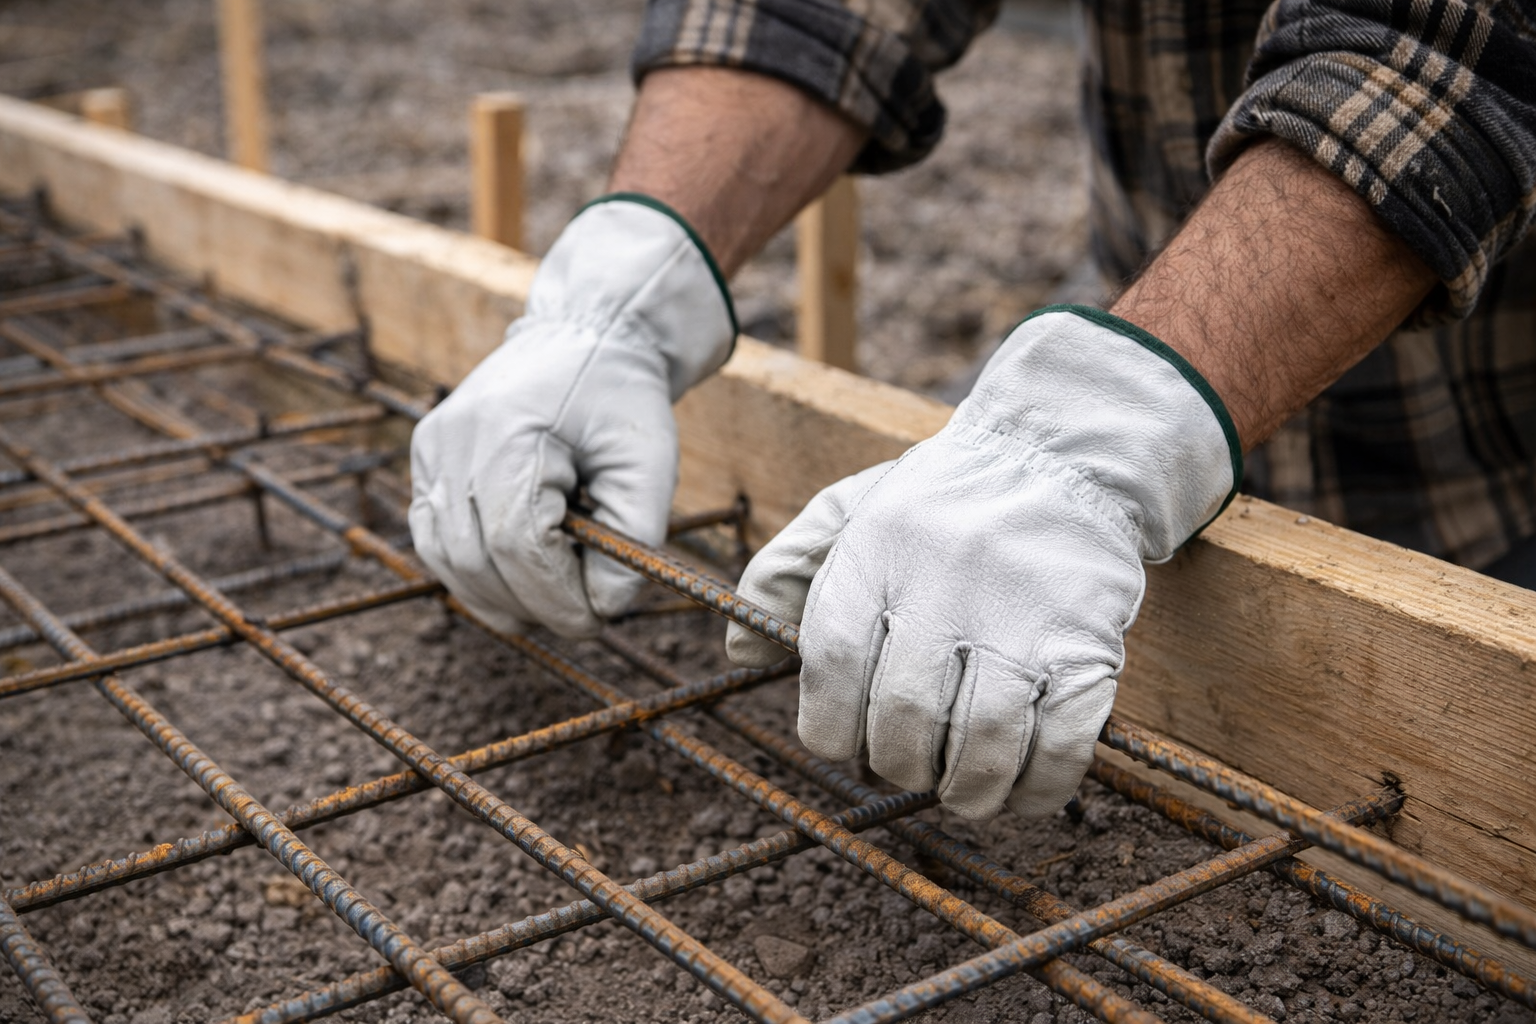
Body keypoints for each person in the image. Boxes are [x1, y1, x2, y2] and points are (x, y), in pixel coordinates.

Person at [409, 0, 1536, 821]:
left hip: (1489, 472)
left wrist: (1099, 430)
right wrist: (622, 283)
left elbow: (1449, 52)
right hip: (1184, 372)